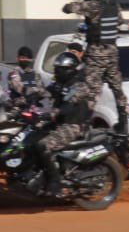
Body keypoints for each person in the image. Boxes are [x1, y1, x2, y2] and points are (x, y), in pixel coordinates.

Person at [62, 0, 128, 134]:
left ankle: (81, 122)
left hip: (96, 52)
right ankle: (123, 121)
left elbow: (71, 8)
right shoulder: (113, 3)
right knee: (117, 87)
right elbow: (120, 22)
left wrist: (68, 7)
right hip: (112, 52)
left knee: (90, 89)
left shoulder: (93, 5)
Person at [34, 52, 93, 197]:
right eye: (56, 69)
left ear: (69, 69)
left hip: (74, 126)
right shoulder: (60, 83)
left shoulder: (78, 86)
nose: (56, 72)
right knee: (31, 136)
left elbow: (69, 104)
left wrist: (54, 112)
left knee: (44, 145)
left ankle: (56, 182)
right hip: (60, 123)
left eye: (59, 69)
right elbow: (45, 92)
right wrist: (26, 97)